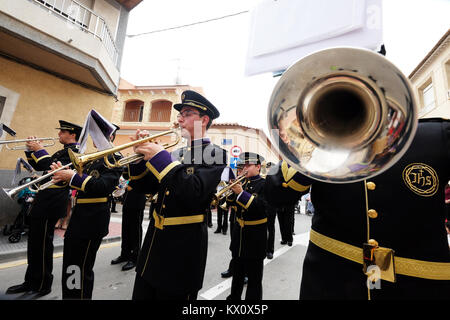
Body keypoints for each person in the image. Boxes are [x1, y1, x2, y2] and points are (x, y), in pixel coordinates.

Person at [265, 118, 450, 300]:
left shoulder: (437, 135)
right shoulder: (322, 143)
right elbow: (275, 193)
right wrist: (314, 148)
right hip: (332, 282)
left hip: (417, 287)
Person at [128, 90, 227, 300]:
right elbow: (143, 187)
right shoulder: (176, 154)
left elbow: (194, 193)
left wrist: (161, 158)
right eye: (180, 114)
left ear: (204, 120)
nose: (180, 119)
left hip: (183, 248)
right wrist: (139, 157)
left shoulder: (215, 153)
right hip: (153, 243)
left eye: (188, 113)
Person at [5, 120, 82, 298]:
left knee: (42, 245)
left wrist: (39, 149)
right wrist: (31, 150)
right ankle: (30, 281)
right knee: (34, 245)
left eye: (63, 132)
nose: (59, 135)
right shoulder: (62, 151)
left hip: (53, 202)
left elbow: (51, 168)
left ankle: (42, 285)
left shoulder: (75, 153)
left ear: (72, 135)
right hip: (44, 199)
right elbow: (40, 167)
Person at [50, 124, 122, 300]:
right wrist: (62, 175)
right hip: (80, 217)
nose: (94, 140)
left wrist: (73, 177)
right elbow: (78, 184)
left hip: (92, 221)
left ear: (110, 138)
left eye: (98, 136)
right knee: (71, 266)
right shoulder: (94, 158)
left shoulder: (114, 158)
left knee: (79, 268)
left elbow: (103, 187)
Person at [227, 152, 267, 301]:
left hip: (256, 237)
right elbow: (230, 203)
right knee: (237, 274)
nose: (244, 168)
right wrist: (232, 189)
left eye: (248, 165)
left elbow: (262, 208)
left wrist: (241, 193)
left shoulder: (265, 185)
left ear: (258, 167)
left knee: (254, 279)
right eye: (243, 165)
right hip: (239, 235)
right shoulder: (242, 182)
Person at [111, 166, 147, 271]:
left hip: (138, 199)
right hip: (128, 199)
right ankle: (125, 254)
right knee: (125, 228)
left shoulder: (145, 162)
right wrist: (125, 168)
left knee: (135, 230)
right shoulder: (132, 162)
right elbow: (126, 176)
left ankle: (135, 257)